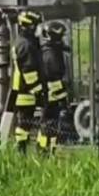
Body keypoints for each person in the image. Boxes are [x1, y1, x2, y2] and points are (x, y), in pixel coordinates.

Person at [7, 10, 45, 152]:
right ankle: (21, 152)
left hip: (23, 89)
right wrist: (38, 91)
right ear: (29, 26)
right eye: (36, 25)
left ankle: (21, 150)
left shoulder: (23, 42)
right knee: (24, 124)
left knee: (25, 124)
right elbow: (29, 72)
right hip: (25, 91)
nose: (38, 29)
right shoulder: (26, 45)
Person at [38, 21, 71, 152]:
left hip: (51, 95)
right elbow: (55, 78)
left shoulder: (49, 51)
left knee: (49, 125)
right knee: (49, 124)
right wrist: (63, 101)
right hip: (51, 96)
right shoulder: (51, 55)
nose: (61, 40)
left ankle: (47, 149)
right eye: (60, 37)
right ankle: (45, 150)